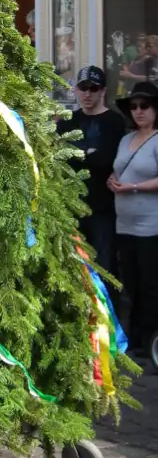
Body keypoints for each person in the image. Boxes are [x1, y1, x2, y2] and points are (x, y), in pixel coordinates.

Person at [56, 66, 125, 278]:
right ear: (76, 90)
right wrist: (90, 154)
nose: (87, 94)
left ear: (102, 91)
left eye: (93, 89)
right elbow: (60, 156)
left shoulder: (114, 121)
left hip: (102, 208)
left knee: (103, 266)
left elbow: (108, 160)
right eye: (83, 88)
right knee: (72, 267)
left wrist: (79, 155)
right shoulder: (68, 120)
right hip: (71, 205)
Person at [108, 82, 158, 357]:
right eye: (134, 106)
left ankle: (148, 339)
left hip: (151, 226)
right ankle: (135, 334)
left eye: (145, 106)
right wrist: (114, 181)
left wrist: (133, 188)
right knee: (132, 282)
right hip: (124, 224)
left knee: (150, 284)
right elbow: (119, 169)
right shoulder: (126, 140)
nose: (139, 111)